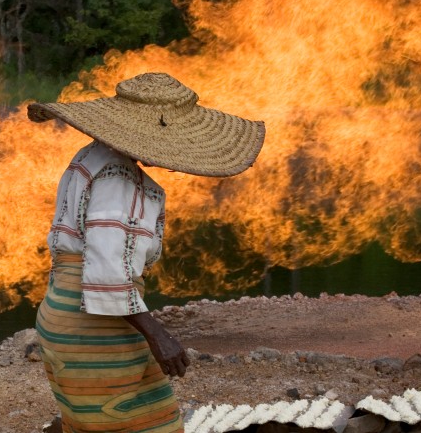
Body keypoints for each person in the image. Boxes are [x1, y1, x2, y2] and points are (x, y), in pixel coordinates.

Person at [28, 72, 265, 433]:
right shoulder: (122, 180)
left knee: (91, 422)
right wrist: (158, 335)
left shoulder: (90, 157)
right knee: (150, 424)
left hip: (61, 315)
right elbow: (108, 272)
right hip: (94, 330)